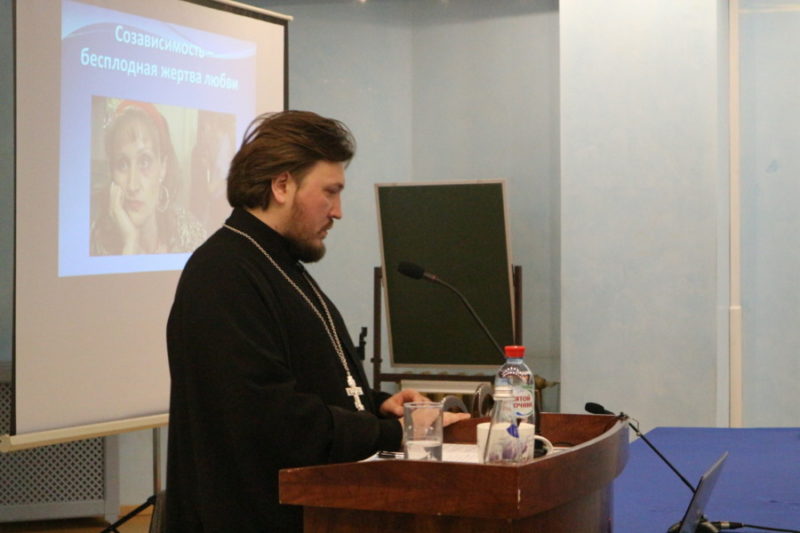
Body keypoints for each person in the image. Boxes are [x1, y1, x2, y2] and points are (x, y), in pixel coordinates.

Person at [165, 110, 469, 532]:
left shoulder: (278, 263)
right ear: (282, 185)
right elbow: (269, 418)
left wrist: (376, 406)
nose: (338, 211)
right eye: (330, 192)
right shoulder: (223, 274)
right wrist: (395, 433)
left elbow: (308, 381)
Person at [91, 100, 206, 255]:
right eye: (122, 164)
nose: (132, 186)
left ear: (163, 167)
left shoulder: (190, 235)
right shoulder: (95, 244)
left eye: (144, 162)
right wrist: (130, 242)